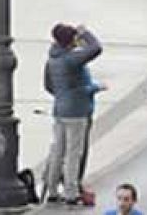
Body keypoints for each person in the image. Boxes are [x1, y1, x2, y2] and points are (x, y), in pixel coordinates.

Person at [42, 24, 103, 206]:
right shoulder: (71, 59)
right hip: (76, 111)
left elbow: (49, 85)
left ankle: (51, 189)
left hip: (60, 110)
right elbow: (96, 48)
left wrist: (63, 95)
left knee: (58, 151)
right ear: (71, 40)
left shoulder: (52, 59)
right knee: (73, 153)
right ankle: (71, 192)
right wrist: (85, 33)